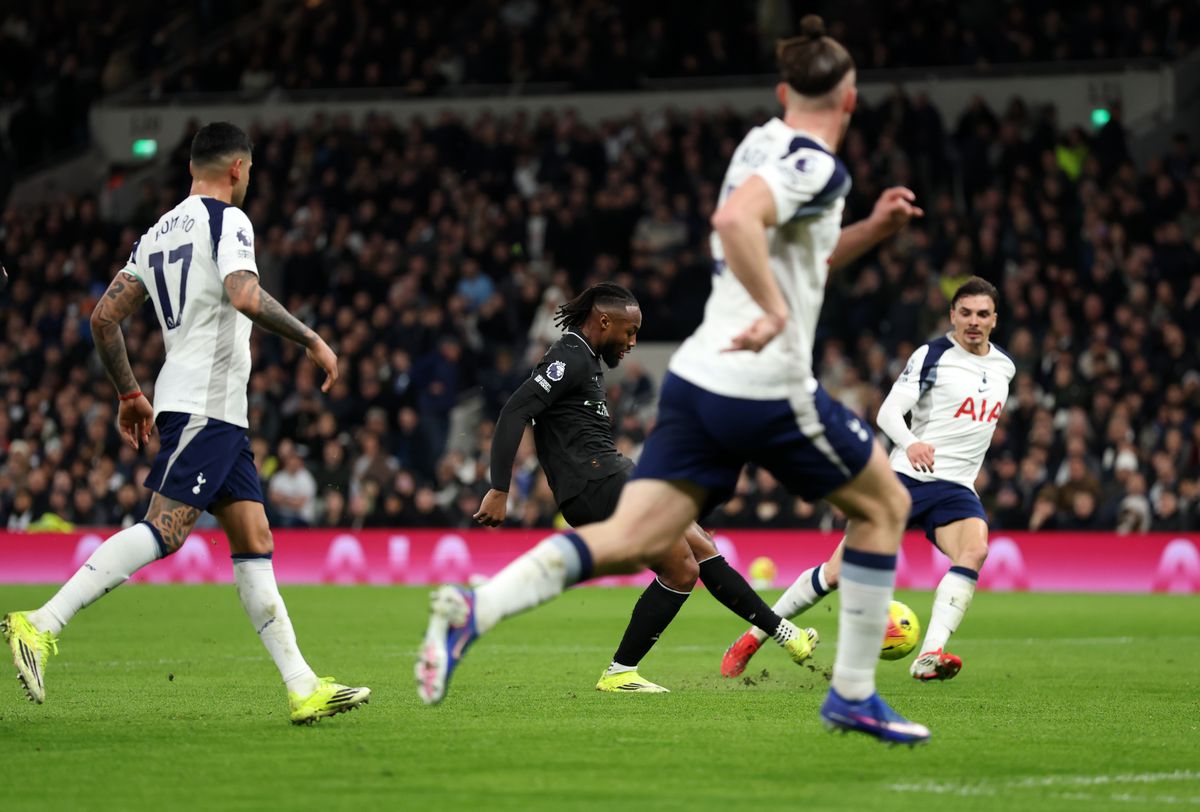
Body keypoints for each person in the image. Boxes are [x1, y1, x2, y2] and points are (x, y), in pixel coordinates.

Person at [418, 16, 931, 744]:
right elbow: (734, 221)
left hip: (697, 377)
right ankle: (850, 692)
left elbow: (793, 253)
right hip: (764, 378)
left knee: (651, 546)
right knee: (884, 503)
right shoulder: (820, 166)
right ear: (850, 100)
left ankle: (480, 609)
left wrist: (873, 230)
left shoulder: (760, 142)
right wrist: (777, 309)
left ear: (785, 90)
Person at [2, 122, 369, 725]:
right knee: (165, 531)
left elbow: (103, 318)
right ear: (236, 169)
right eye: (248, 172)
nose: (247, 180)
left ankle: (303, 686)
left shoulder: (157, 233)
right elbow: (244, 295)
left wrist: (129, 393)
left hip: (210, 408)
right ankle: (40, 624)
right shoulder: (230, 222)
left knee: (254, 541)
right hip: (205, 405)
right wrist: (311, 338)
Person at [474, 282, 819, 693]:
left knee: (701, 545)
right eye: (629, 331)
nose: (633, 342)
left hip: (613, 476)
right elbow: (515, 410)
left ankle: (784, 634)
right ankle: (620, 672)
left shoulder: (586, 360)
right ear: (604, 321)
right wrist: (500, 487)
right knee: (682, 568)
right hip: (597, 482)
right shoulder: (569, 354)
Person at [722, 277, 1015, 683]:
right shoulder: (932, 356)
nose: (973, 321)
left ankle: (930, 654)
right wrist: (911, 443)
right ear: (952, 315)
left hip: (956, 488)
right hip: (904, 479)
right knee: (838, 573)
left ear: (994, 320)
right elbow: (889, 413)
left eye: (982, 314)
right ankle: (754, 636)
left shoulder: (1004, 366)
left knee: (975, 551)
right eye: (965, 313)